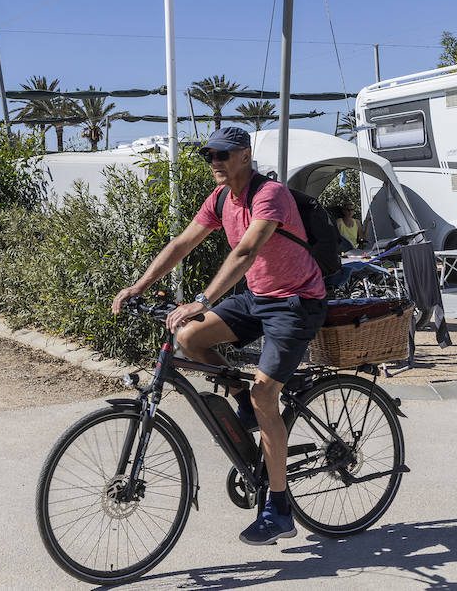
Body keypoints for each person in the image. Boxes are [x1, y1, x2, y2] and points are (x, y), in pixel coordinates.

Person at [111, 125, 326, 546]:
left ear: (245, 155)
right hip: (257, 296)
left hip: (296, 301)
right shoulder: (221, 198)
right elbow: (181, 243)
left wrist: (202, 300)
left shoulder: (271, 195)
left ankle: (279, 508)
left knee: (267, 392)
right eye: (209, 156)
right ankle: (243, 401)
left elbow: (245, 251)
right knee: (190, 339)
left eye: (223, 155)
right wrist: (139, 285)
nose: (215, 163)